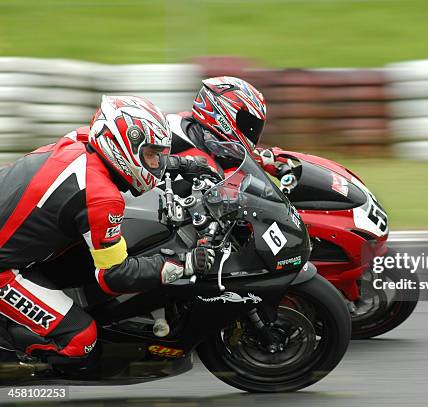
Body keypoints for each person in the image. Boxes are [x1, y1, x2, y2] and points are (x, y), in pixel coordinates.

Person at [0, 95, 213, 368]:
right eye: (150, 154)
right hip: (6, 269)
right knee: (81, 340)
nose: (155, 162)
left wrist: (183, 165)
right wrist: (183, 265)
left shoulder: (82, 140)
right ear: (123, 147)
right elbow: (114, 277)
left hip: (17, 238)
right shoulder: (101, 197)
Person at [168, 76, 296, 189]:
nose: (252, 130)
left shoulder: (205, 136)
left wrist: (265, 159)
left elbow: (228, 154)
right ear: (222, 114)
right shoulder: (174, 138)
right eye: (248, 123)